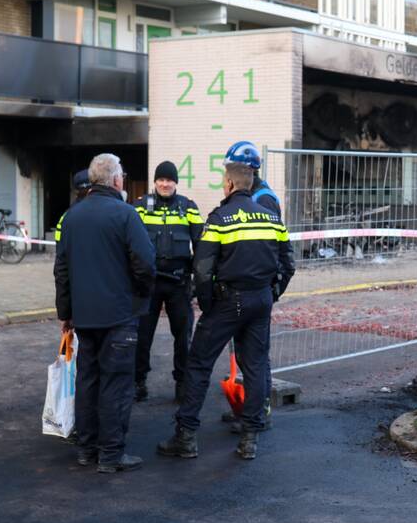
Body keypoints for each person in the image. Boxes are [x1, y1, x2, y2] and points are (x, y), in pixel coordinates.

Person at [157, 163, 295, 461]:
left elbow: (202, 268)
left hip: (228, 302)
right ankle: (249, 439)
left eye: (223, 182)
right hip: (260, 300)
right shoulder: (272, 218)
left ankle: (186, 437)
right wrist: (271, 293)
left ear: (230, 184)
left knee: (199, 364)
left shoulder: (220, 218)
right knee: (255, 367)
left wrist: (208, 304)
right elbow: (289, 263)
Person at [54, 153, 156, 473]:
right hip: (119, 314)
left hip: (85, 315)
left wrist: (66, 312)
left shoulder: (72, 217)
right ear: (115, 180)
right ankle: (111, 454)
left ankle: (87, 449)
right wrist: (140, 294)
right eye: (122, 175)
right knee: (117, 384)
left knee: (88, 381)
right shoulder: (126, 214)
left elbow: (62, 269)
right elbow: (146, 263)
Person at [221, 141, 282, 431]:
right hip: (246, 290)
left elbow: (275, 249)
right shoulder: (251, 195)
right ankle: (249, 408)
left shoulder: (263, 199)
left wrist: (272, 290)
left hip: (256, 289)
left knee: (255, 356)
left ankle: (259, 412)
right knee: (246, 354)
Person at [133, 161, 204, 403]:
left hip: (179, 283)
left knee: (183, 337)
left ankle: (182, 383)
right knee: (142, 336)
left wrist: (198, 279)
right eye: (161, 180)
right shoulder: (140, 207)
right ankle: (138, 381)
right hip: (148, 283)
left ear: (176, 182)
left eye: (169, 180)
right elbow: (130, 244)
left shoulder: (188, 207)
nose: (165, 184)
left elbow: (202, 245)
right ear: (154, 182)